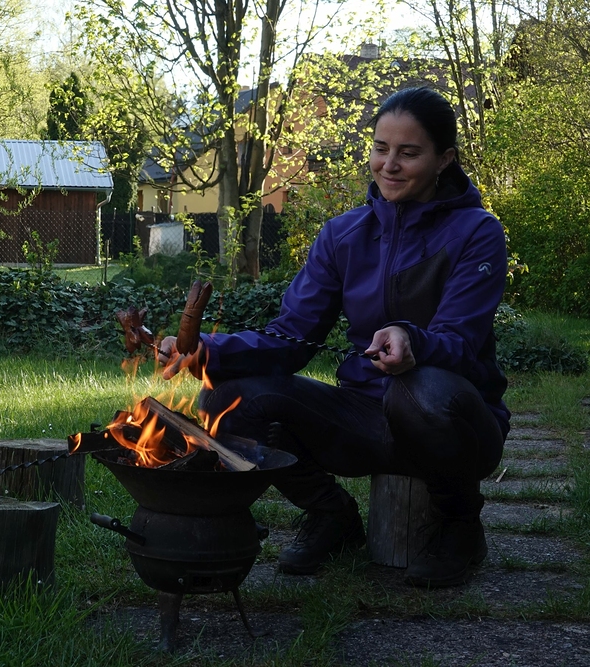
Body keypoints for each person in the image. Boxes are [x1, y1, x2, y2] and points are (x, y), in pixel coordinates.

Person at [158, 87, 509, 588]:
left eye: (409, 153)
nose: (389, 164)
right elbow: (292, 337)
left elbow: (459, 339)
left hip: (453, 422)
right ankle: (332, 516)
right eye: (381, 148)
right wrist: (207, 352)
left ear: (443, 159)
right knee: (227, 396)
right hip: (364, 419)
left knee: (425, 388)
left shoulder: (478, 232)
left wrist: (412, 341)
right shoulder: (343, 234)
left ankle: (459, 523)